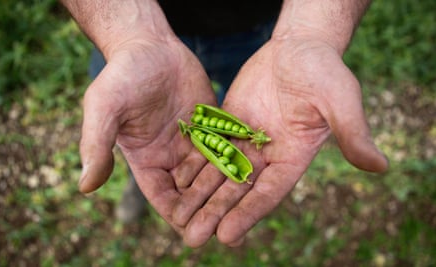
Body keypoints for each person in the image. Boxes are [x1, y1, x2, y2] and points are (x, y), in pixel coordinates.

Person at [60, 0, 389, 248]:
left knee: (235, 108)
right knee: (142, 134)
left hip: (269, 30)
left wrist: (313, 31)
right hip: (128, 25)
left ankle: (204, 176)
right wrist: (126, 37)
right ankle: (140, 181)